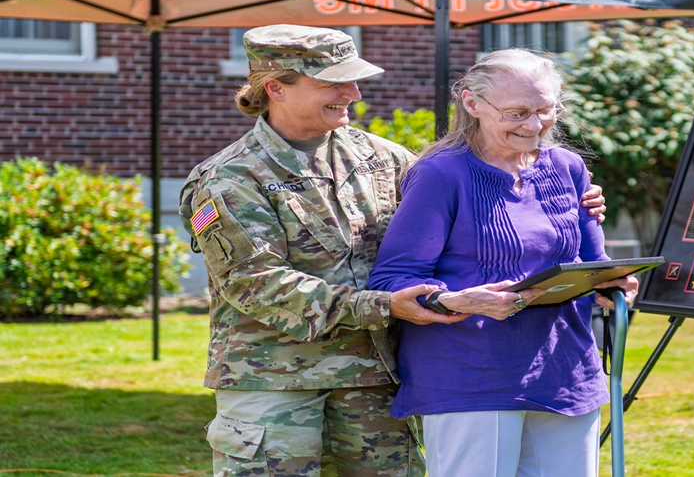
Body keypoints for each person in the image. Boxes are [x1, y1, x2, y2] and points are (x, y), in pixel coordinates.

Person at [178, 26, 607, 477]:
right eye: (333, 82)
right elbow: (255, 284)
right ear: (276, 87)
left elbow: (461, 222)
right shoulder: (229, 178)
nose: (354, 92)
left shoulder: (385, 157)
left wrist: (561, 198)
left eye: (354, 79)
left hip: (373, 374)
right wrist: (385, 304)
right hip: (277, 378)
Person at [367, 48, 639, 477]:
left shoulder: (568, 168)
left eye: (546, 110)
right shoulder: (442, 174)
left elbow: (594, 263)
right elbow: (392, 278)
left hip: (564, 371)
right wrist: (456, 299)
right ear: (473, 104)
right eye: (517, 113)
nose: (534, 125)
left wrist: (612, 286)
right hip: (470, 374)